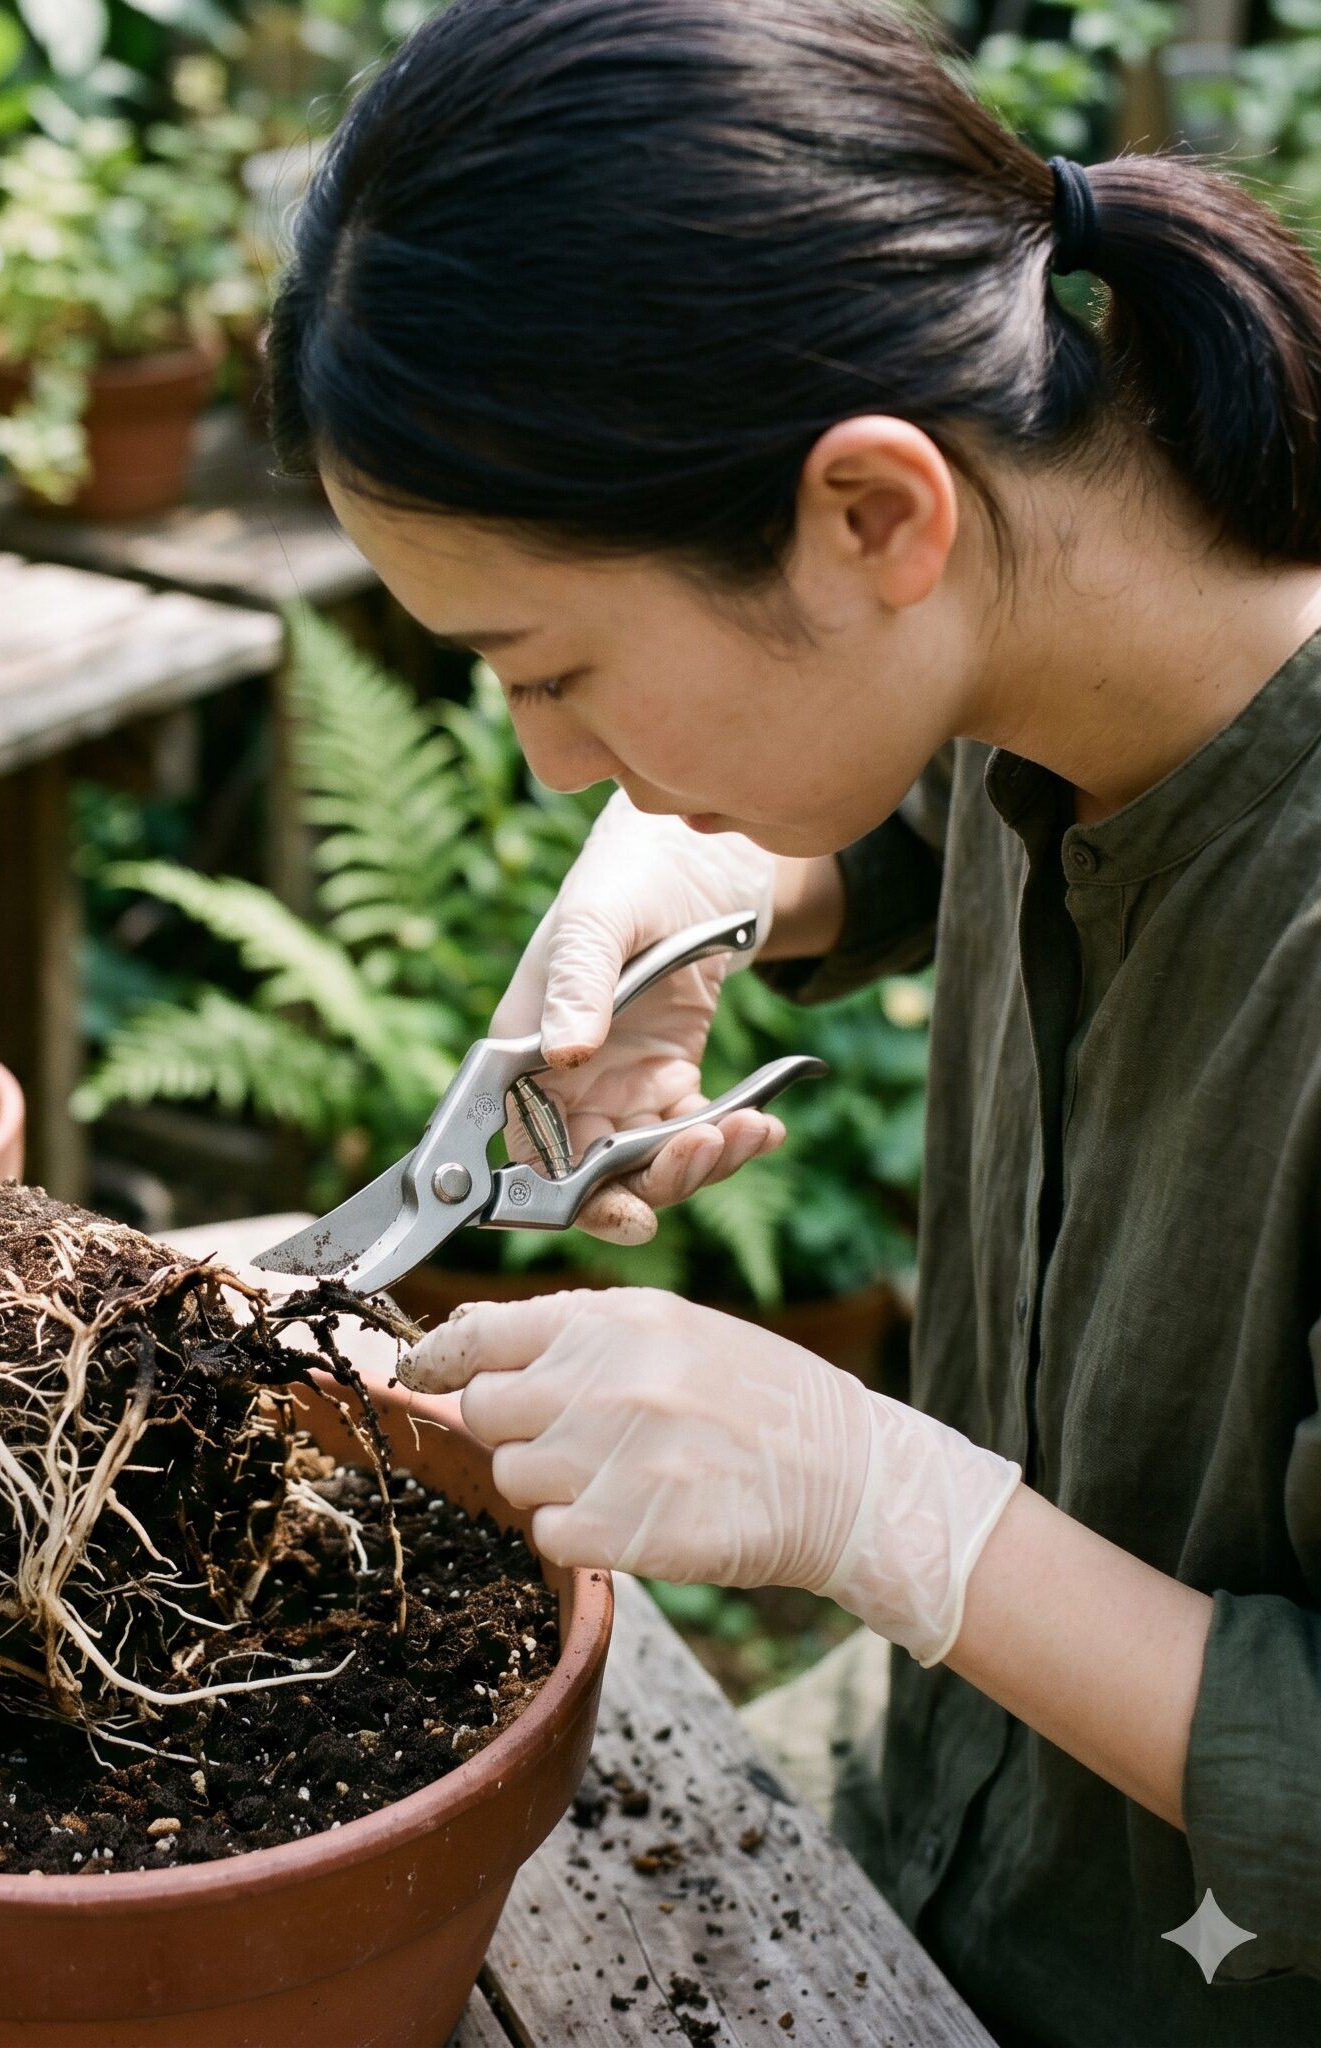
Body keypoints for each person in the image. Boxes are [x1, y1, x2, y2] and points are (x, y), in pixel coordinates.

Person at [266, 2, 1321, 2042]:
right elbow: (968, 808)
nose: (554, 763)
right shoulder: (1076, 618)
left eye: (551, 664)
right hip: (930, 1805)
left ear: (867, 518)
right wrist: (723, 892)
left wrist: (873, 1501)